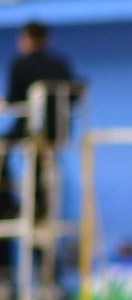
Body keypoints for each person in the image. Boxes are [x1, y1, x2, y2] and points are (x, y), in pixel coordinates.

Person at [2, 21, 76, 218]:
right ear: (46, 40)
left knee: (4, 146)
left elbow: (14, 99)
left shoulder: (19, 64)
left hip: (32, 130)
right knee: (38, 156)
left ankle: (6, 203)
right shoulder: (60, 64)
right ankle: (39, 203)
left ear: (25, 39)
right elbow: (73, 97)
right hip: (59, 130)